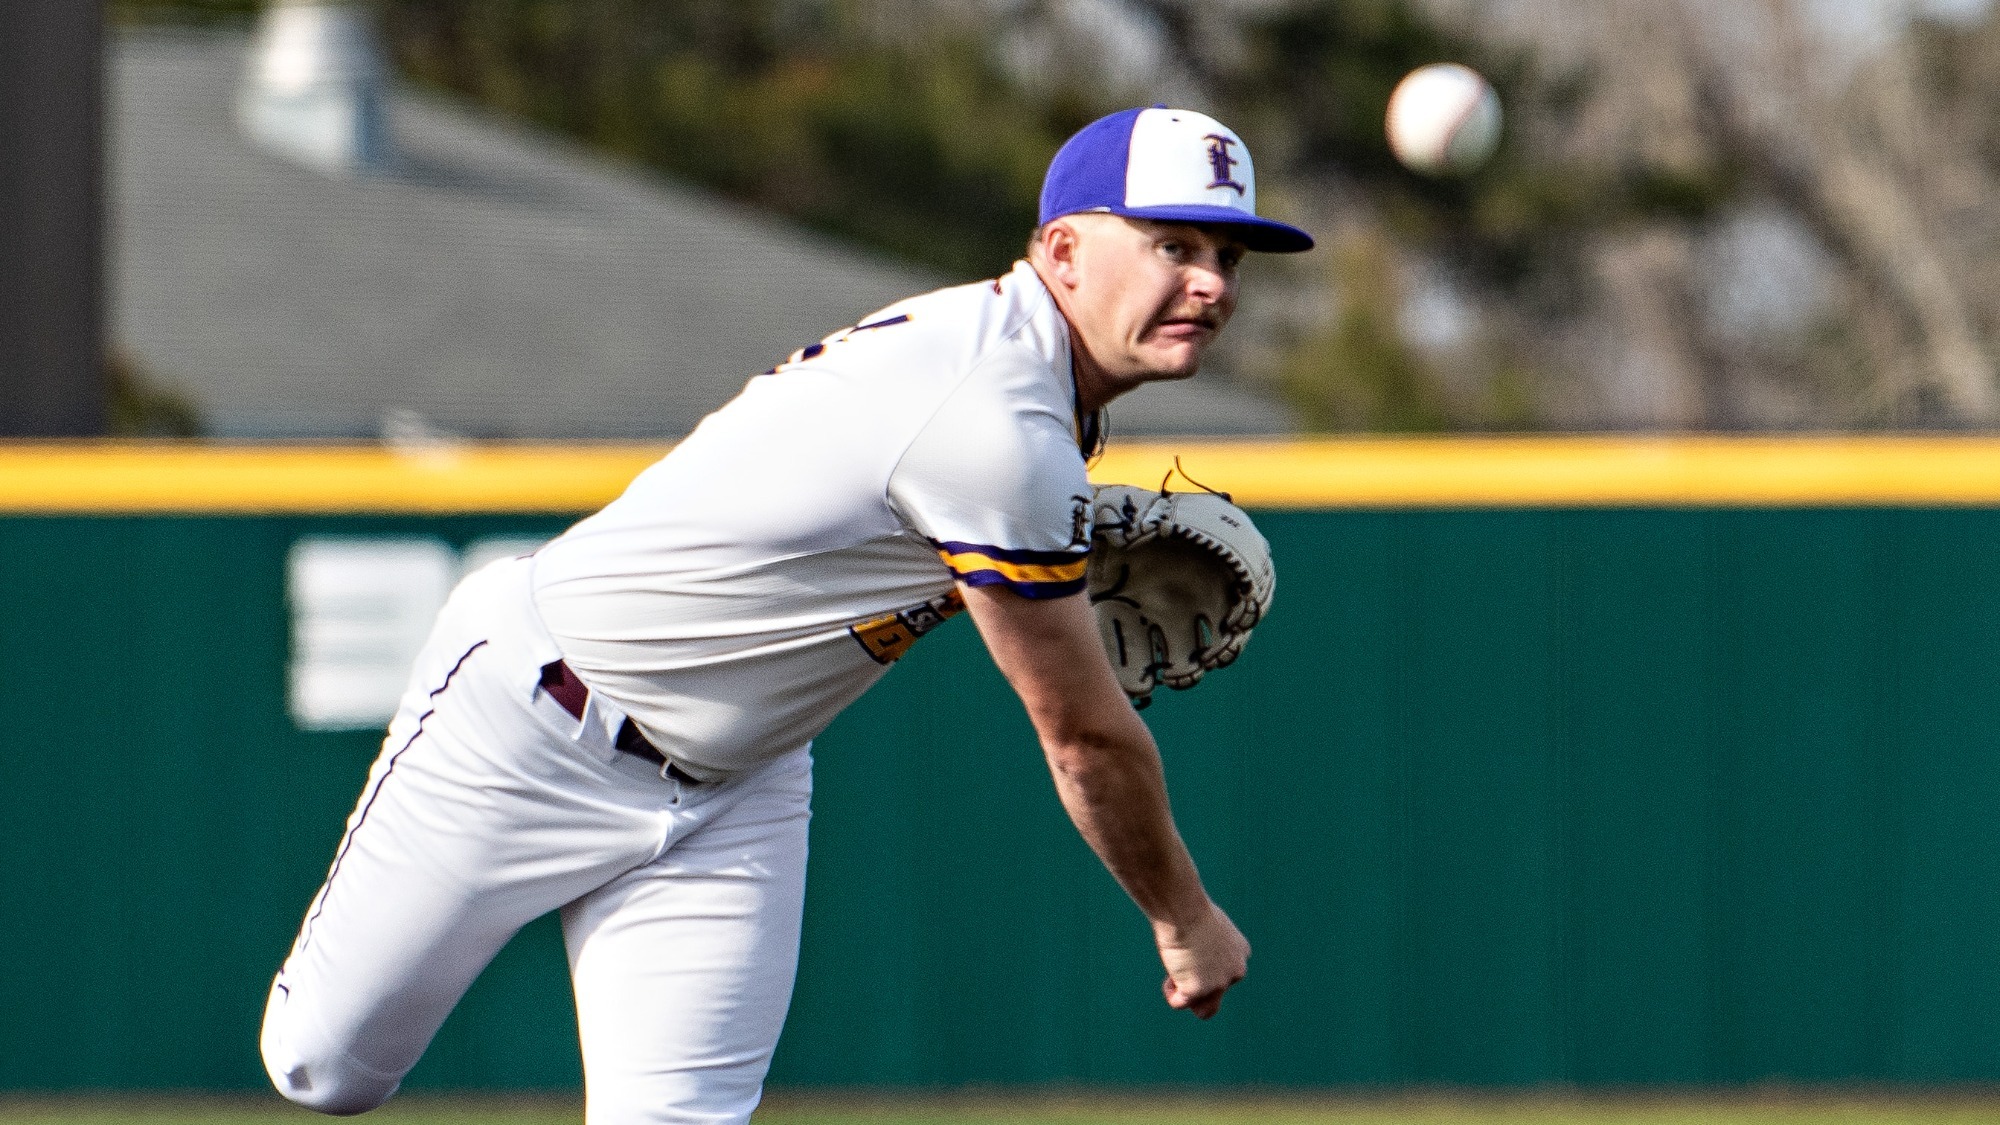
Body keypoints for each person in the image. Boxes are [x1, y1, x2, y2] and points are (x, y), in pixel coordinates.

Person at [259, 105, 1313, 1124]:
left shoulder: (1021, 383)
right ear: (1064, 249)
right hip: (536, 717)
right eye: (1174, 245)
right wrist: (1183, 919)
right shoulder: (998, 420)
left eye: (1229, 258)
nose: (1209, 284)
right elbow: (1083, 740)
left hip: (736, 786)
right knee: (323, 1069)